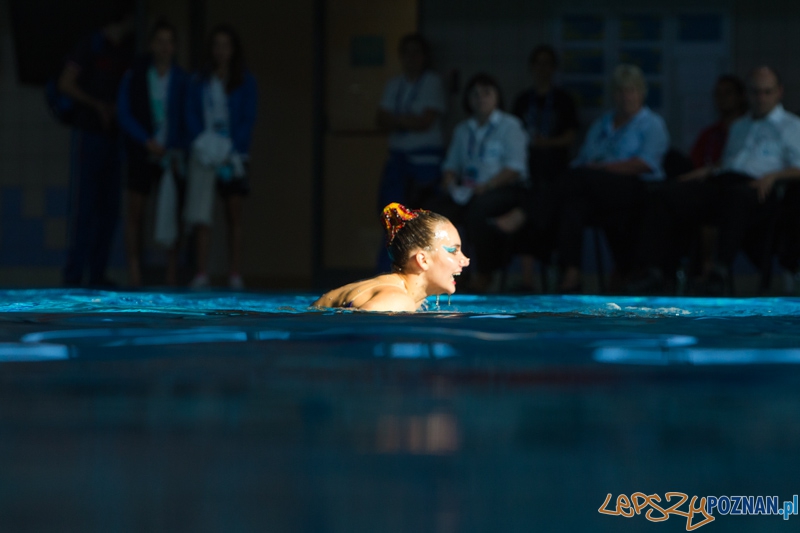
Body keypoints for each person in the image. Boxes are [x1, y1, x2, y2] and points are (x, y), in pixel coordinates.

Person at [633, 65, 800, 294]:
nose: (760, 98)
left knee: (737, 196)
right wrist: (709, 170)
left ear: (779, 92)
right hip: (725, 181)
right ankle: (655, 272)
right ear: (747, 94)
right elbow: (731, 162)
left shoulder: (792, 126)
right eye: (755, 92)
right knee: (666, 194)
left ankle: (717, 273)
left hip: (760, 190)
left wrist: (774, 176)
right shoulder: (739, 125)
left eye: (767, 92)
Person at [555, 64, 669, 292]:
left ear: (641, 92)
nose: (625, 96)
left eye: (630, 90)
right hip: (596, 188)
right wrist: (590, 171)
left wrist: (603, 169)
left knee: (581, 178)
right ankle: (572, 275)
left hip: (636, 188)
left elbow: (646, 163)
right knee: (573, 206)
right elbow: (584, 158)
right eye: (620, 91)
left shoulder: (652, 124)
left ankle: (527, 213)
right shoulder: (602, 124)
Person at [58, 9, 135, 287]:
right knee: (86, 206)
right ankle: (74, 274)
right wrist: (96, 105)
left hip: (115, 137)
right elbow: (65, 83)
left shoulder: (125, 50)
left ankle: (97, 273)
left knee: (109, 209)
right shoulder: (91, 44)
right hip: (91, 134)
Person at [435, 73, 528, 291]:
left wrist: (487, 186)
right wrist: (449, 180)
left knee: (477, 210)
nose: (480, 98)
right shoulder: (462, 130)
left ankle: (485, 272)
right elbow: (451, 165)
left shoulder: (510, 125)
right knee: (437, 211)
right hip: (468, 190)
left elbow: (515, 168)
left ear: (497, 97)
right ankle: (445, 274)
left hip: (503, 189)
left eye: (487, 93)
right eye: (475, 94)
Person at [184, 25, 258, 289]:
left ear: (233, 50)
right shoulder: (199, 81)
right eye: (216, 45)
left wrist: (230, 148)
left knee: (233, 214)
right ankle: (202, 272)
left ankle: (234, 272)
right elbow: (190, 114)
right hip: (205, 151)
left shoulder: (245, 80)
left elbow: (247, 119)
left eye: (226, 45)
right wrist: (204, 144)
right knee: (202, 214)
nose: (221, 51)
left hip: (233, 154)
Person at [117, 19, 189, 287]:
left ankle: (171, 272)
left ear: (175, 47)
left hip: (171, 154)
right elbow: (124, 113)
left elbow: (187, 117)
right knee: (135, 212)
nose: (164, 47)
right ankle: (134, 271)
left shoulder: (181, 79)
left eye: (169, 42)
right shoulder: (135, 76)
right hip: (142, 151)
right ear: (151, 45)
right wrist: (146, 141)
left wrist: (173, 145)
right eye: (159, 41)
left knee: (175, 212)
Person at [313, 203, 470, 312]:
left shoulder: (410, 297)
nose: (465, 260)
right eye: (453, 251)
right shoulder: (397, 301)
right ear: (423, 260)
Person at [511, 45, 579, 188]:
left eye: (546, 63)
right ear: (531, 67)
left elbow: (570, 136)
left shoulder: (564, 100)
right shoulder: (522, 100)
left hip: (555, 163)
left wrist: (545, 143)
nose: (542, 68)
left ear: (553, 67)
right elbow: (512, 134)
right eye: (538, 63)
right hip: (526, 161)